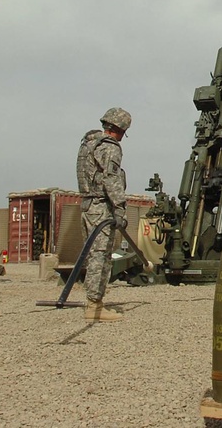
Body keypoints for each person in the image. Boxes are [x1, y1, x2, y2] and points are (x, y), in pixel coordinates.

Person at [76, 107, 132, 322]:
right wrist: (120, 207)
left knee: (93, 255)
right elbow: (111, 178)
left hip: (88, 206)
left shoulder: (88, 143)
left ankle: (93, 301)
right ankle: (94, 306)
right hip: (101, 207)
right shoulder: (110, 147)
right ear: (120, 129)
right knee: (101, 255)